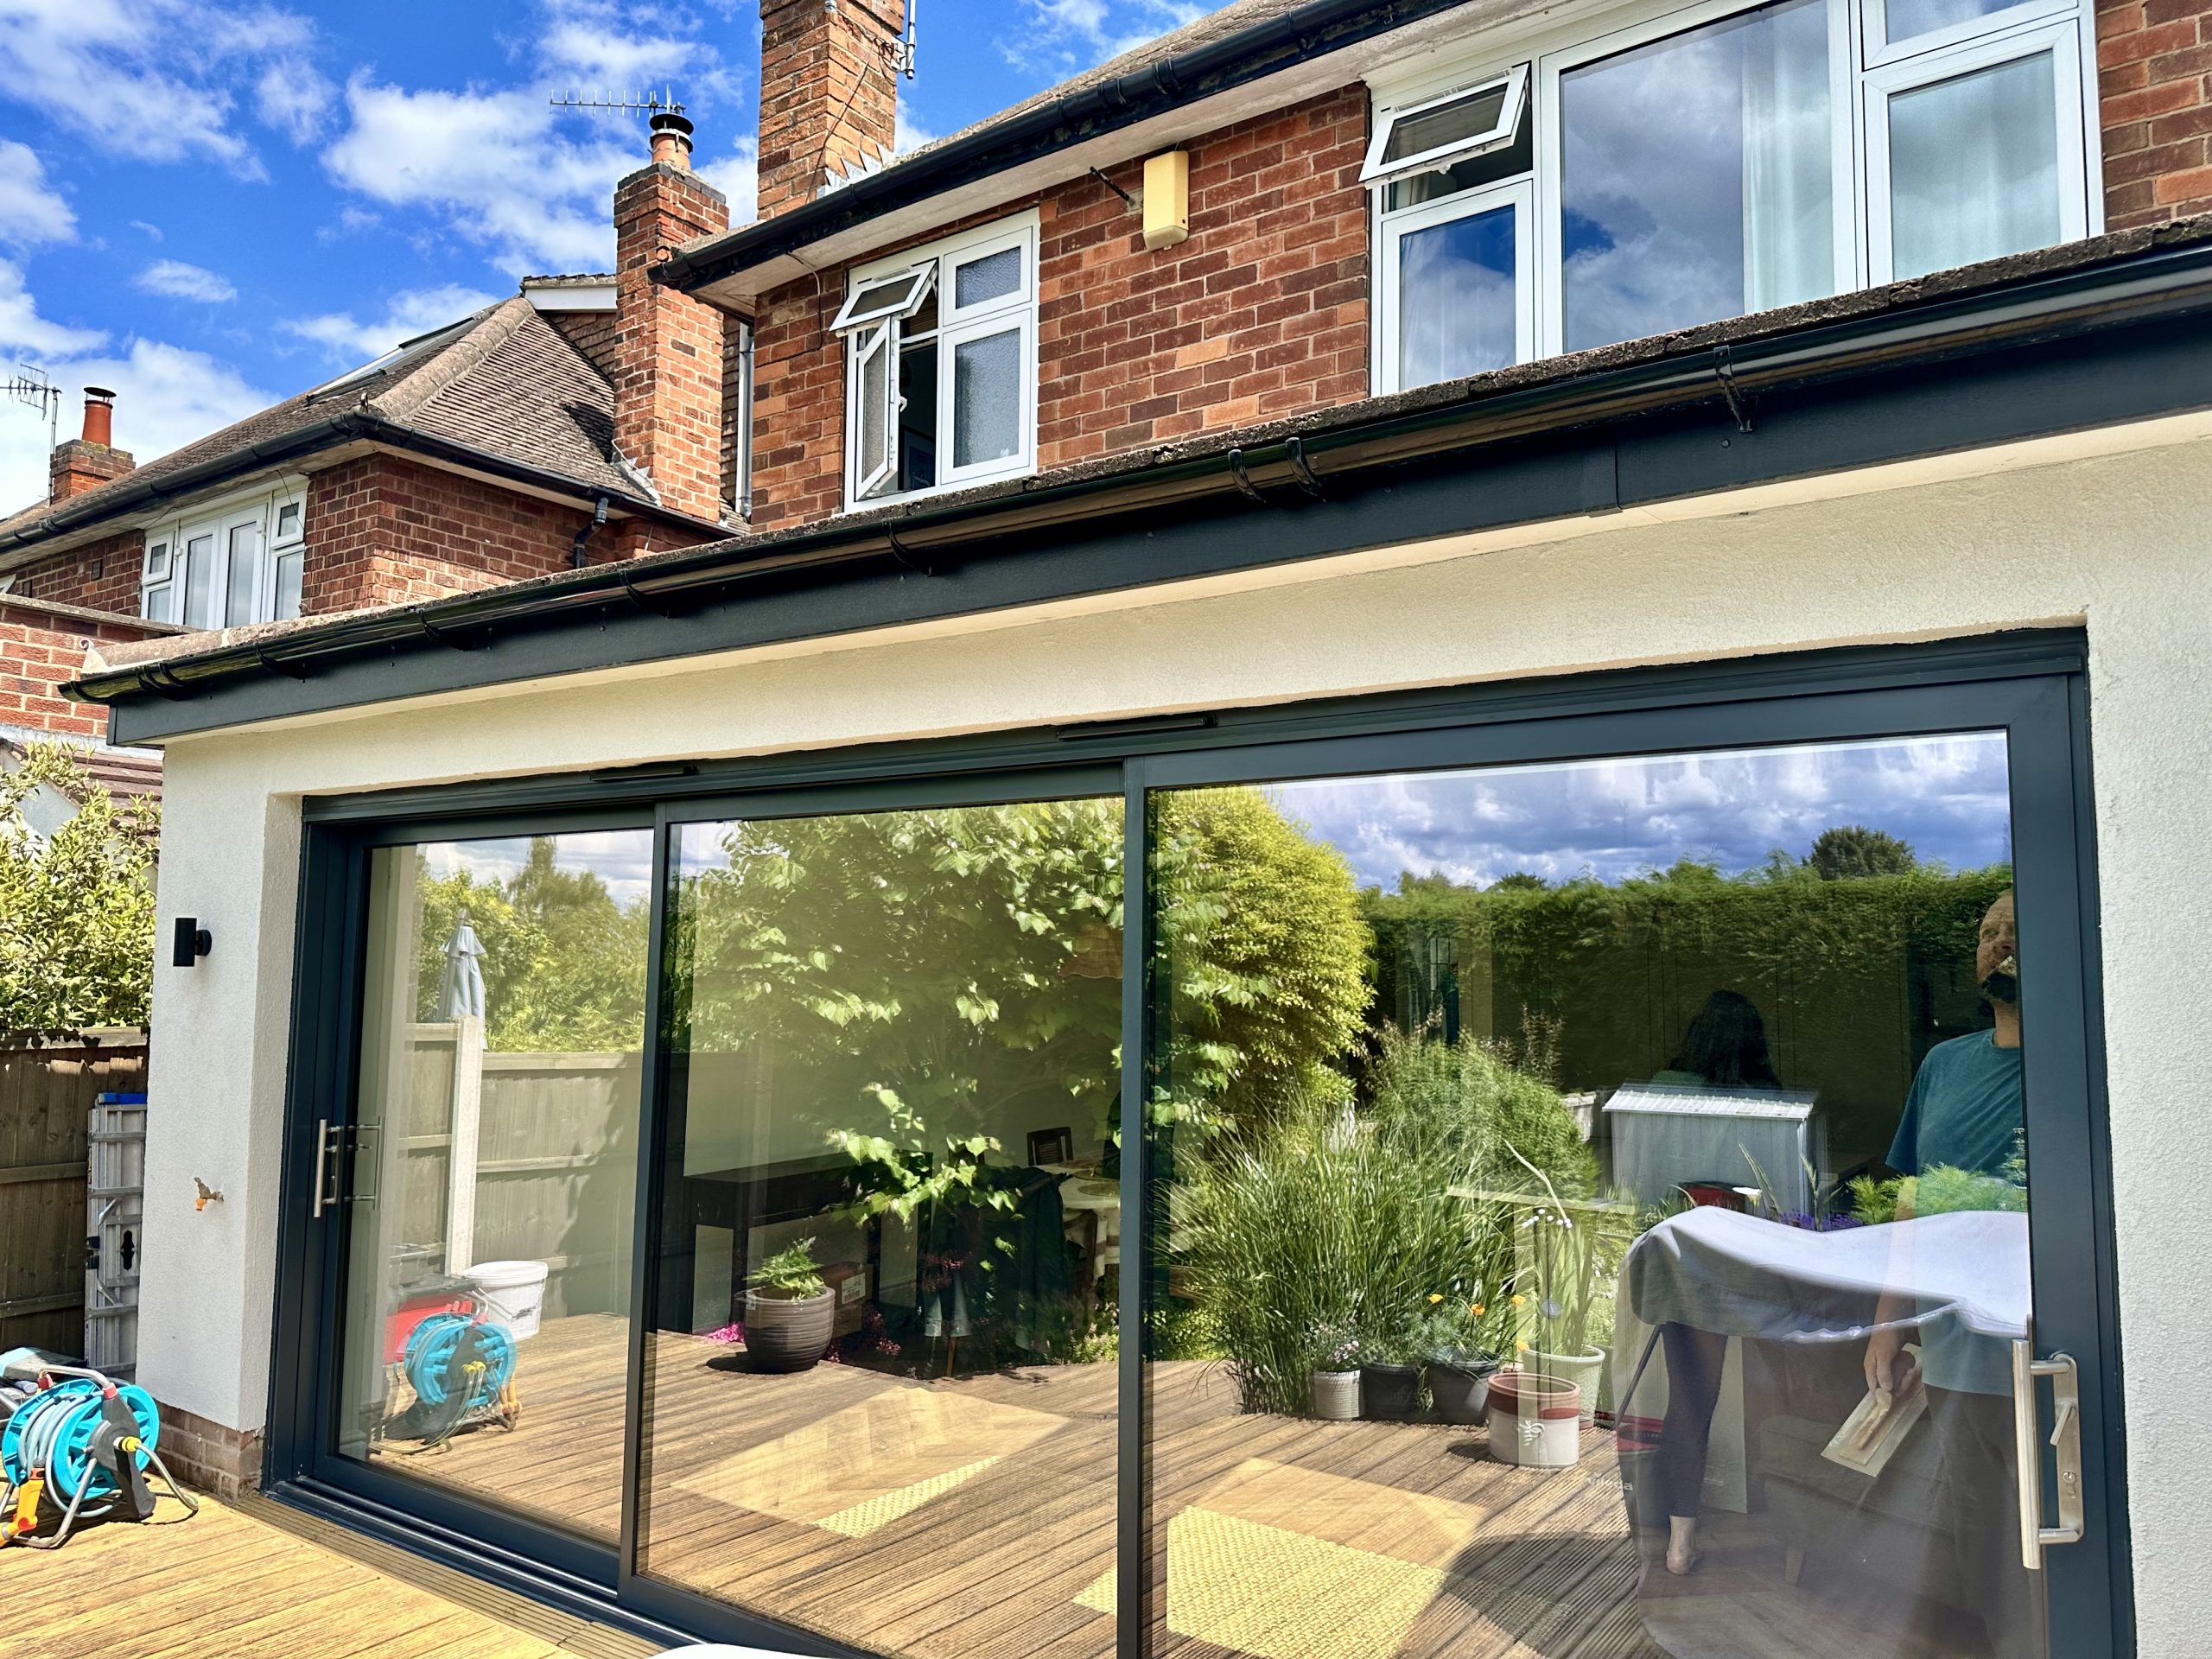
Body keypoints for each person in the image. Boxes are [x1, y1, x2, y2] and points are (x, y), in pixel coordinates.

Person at [1862, 890, 2042, 1656]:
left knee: (2056, 1538)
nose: (1998, 944)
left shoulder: (2079, 1065)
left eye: (2014, 931)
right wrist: (1884, 1323)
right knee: (1983, 1541)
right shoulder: (1942, 1067)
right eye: (1988, 933)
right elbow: (1911, 1203)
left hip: (2052, 1357)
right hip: (1958, 1354)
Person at [1646, 988, 1780, 1577]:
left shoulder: (1664, 1087)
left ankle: (1679, 1543)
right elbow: (1778, 1194)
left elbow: (1647, 1180)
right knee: (1781, 1388)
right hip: (1750, 1260)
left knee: (1691, 1402)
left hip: (1686, 1258)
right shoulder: (1768, 1101)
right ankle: (1781, 1528)